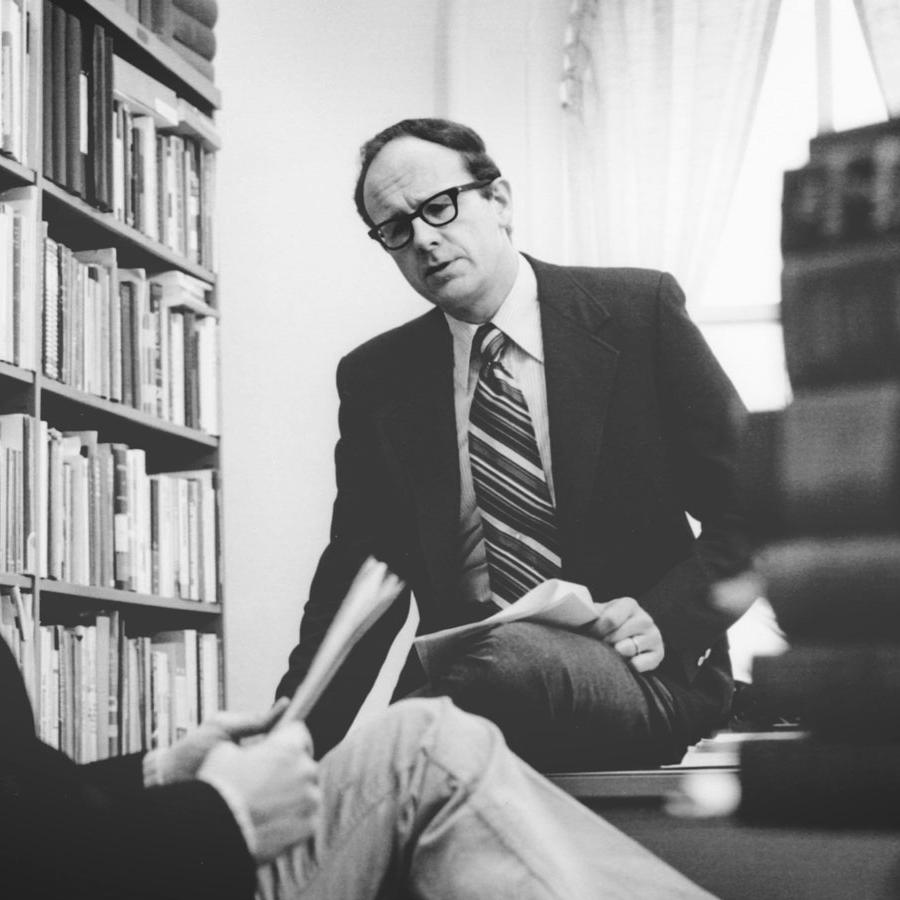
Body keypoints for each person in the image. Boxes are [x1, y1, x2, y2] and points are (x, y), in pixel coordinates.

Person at [277, 118, 753, 771]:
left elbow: (754, 506)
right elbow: (358, 581)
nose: (423, 240)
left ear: (498, 201)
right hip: (466, 687)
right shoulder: (379, 379)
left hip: (637, 667)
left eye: (439, 207)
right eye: (396, 229)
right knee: (449, 702)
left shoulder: (639, 312)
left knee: (485, 677)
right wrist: (293, 737)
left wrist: (667, 620)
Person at [0, 634, 715, 900]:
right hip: (157, 862)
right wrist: (221, 815)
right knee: (427, 747)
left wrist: (156, 774)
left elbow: (25, 805)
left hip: (132, 846)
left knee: (422, 737)